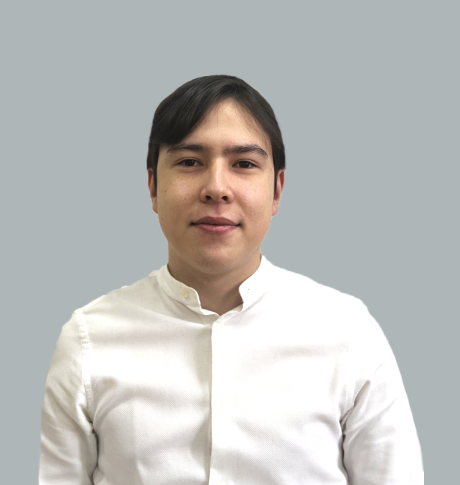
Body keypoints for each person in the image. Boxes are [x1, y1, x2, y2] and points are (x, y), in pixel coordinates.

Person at [39, 75, 423, 484]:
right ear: (152, 185)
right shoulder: (90, 340)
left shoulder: (348, 333)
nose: (217, 188)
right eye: (190, 162)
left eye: (243, 164)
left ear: (277, 190)